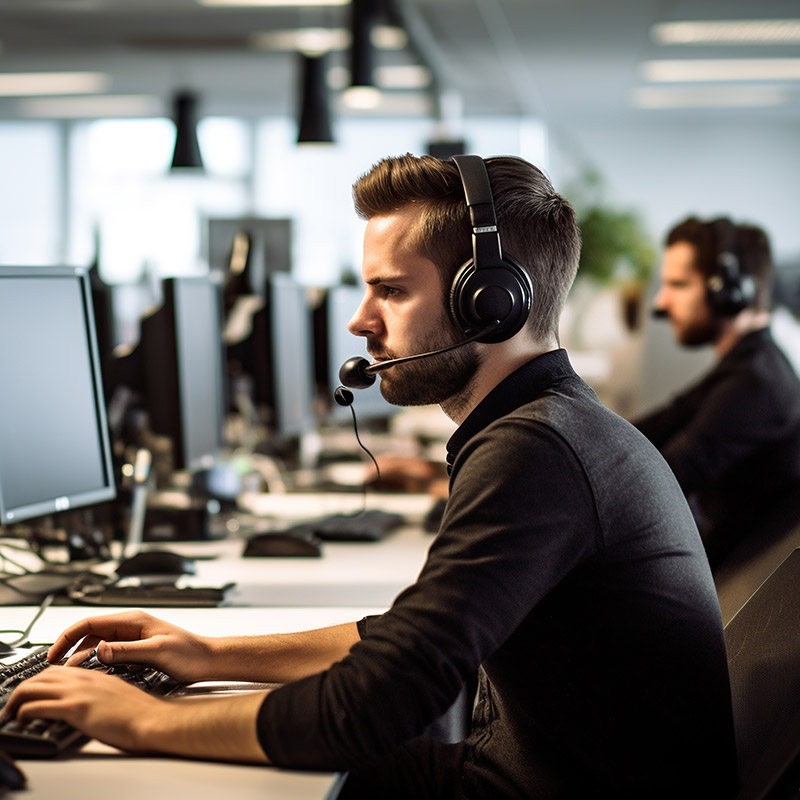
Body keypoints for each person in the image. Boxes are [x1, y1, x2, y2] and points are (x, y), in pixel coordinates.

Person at [3, 155, 738, 798]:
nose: (359, 321)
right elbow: (414, 638)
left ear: (488, 303)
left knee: (163, 781)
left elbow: (379, 699)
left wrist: (143, 718)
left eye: (391, 292)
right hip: (531, 775)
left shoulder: (536, 451)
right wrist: (206, 654)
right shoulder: (549, 427)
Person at [633, 216, 800, 570]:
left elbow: (664, 476)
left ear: (728, 290)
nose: (661, 303)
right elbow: (663, 421)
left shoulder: (757, 384)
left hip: (735, 588)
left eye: (677, 284)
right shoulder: (742, 365)